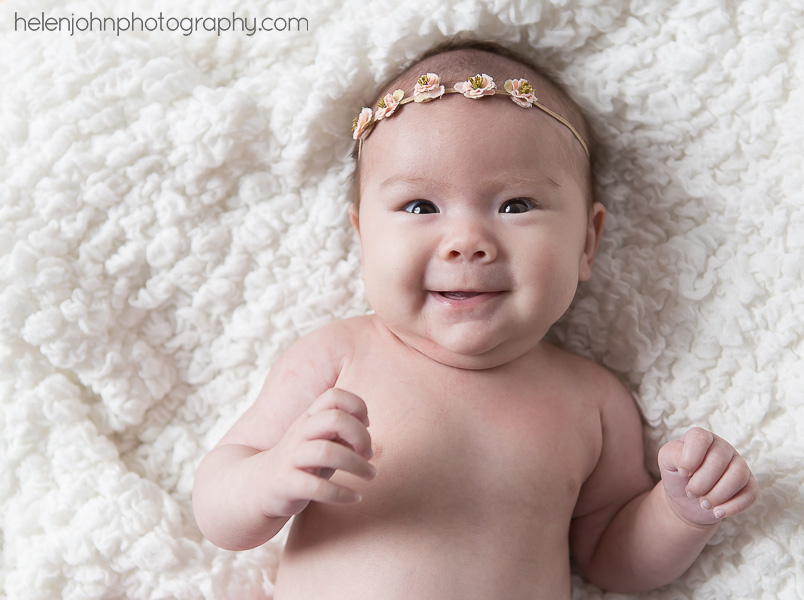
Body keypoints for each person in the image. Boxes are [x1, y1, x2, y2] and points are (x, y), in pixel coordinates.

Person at [192, 40, 758, 598]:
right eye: (421, 207)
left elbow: (611, 558)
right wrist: (271, 477)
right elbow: (218, 504)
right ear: (363, 236)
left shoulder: (594, 401)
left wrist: (680, 512)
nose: (466, 242)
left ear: (587, 242)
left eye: (515, 205)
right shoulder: (337, 357)